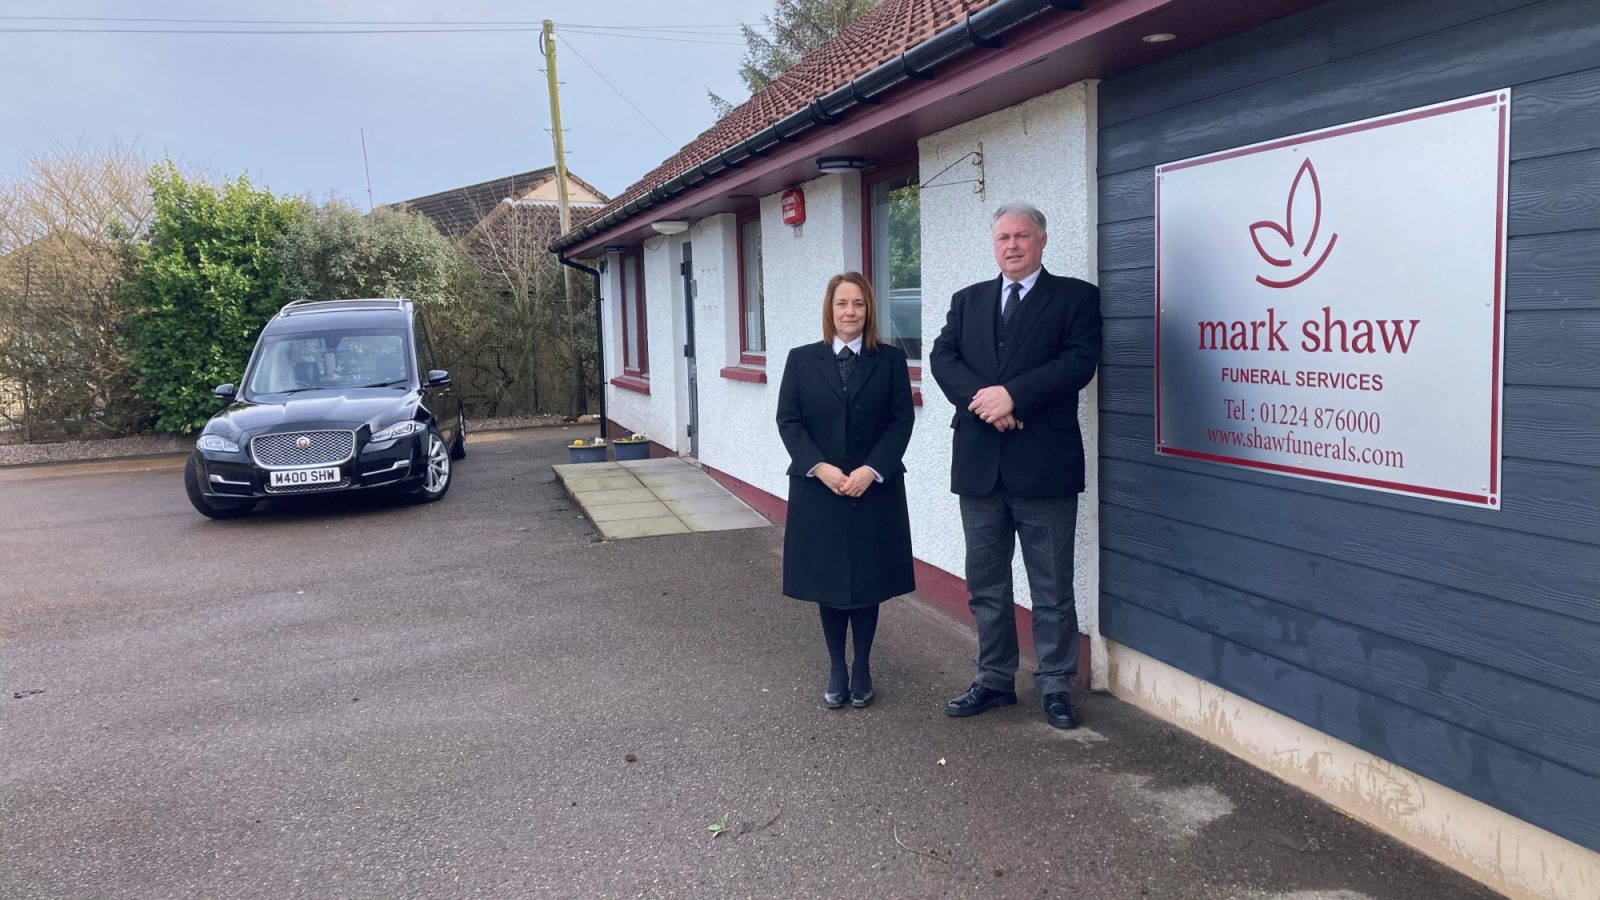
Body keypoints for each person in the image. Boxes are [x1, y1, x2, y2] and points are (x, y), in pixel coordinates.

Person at [928, 202, 1102, 729]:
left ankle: (1055, 684)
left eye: (1022, 236)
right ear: (994, 243)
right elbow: (942, 358)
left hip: (1045, 467)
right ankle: (994, 679)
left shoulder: (1075, 298)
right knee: (986, 585)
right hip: (980, 466)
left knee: (1051, 587)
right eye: (1003, 237)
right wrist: (985, 401)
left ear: (1042, 241)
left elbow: (1078, 363)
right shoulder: (968, 301)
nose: (1012, 245)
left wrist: (1014, 395)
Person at [776, 271, 916, 710]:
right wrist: (820, 468)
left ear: (868, 309)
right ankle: (838, 666)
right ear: (830, 309)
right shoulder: (801, 360)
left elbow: (901, 422)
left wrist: (871, 470)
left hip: (873, 489)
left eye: (858, 303)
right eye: (842, 303)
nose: (850, 311)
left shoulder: (890, 360)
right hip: (819, 490)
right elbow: (789, 421)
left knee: (866, 582)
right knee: (831, 582)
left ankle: (863, 666)